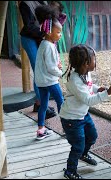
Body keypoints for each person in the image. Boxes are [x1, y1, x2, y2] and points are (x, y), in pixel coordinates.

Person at [59, 44, 111, 179]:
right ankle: (70, 171)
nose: (96, 62)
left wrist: (98, 89)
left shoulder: (86, 74)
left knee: (92, 136)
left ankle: (83, 154)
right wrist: (107, 93)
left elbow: (89, 87)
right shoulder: (74, 80)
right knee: (78, 145)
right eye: (94, 59)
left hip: (82, 115)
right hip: (71, 119)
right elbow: (88, 100)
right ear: (86, 63)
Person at [19, 1, 57, 118]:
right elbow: (29, 26)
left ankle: (38, 103)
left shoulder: (44, 2)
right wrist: (45, 34)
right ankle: (42, 106)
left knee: (43, 69)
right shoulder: (25, 4)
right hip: (29, 39)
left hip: (40, 38)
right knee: (39, 69)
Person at [34, 5, 64, 140]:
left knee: (44, 105)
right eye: (58, 32)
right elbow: (51, 68)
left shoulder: (43, 44)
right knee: (61, 103)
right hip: (51, 81)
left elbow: (46, 63)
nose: (60, 35)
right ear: (48, 31)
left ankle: (41, 130)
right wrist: (61, 74)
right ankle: (67, 127)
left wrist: (56, 65)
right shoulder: (50, 46)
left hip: (41, 81)